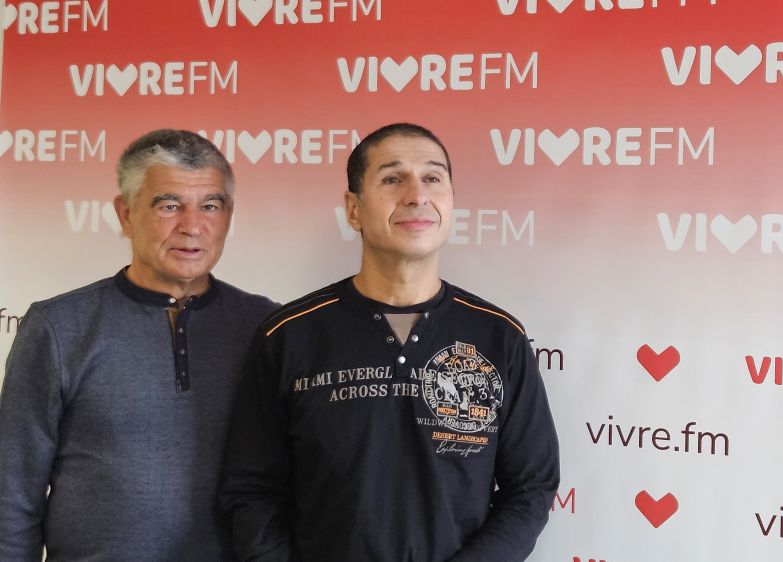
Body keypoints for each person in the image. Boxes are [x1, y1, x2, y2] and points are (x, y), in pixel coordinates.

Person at [220, 123, 559, 561]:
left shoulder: (499, 337)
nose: (417, 195)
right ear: (354, 209)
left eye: (433, 178)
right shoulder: (288, 335)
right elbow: (252, 490)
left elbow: (531, 488)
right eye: (393, 178)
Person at [0, 129, 279, 561]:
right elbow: (13, 489)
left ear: (229, 216)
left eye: (210, 205)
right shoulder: (58, 327)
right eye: (169, 205)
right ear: (126, 214)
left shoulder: (268, 327)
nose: (192, 226)